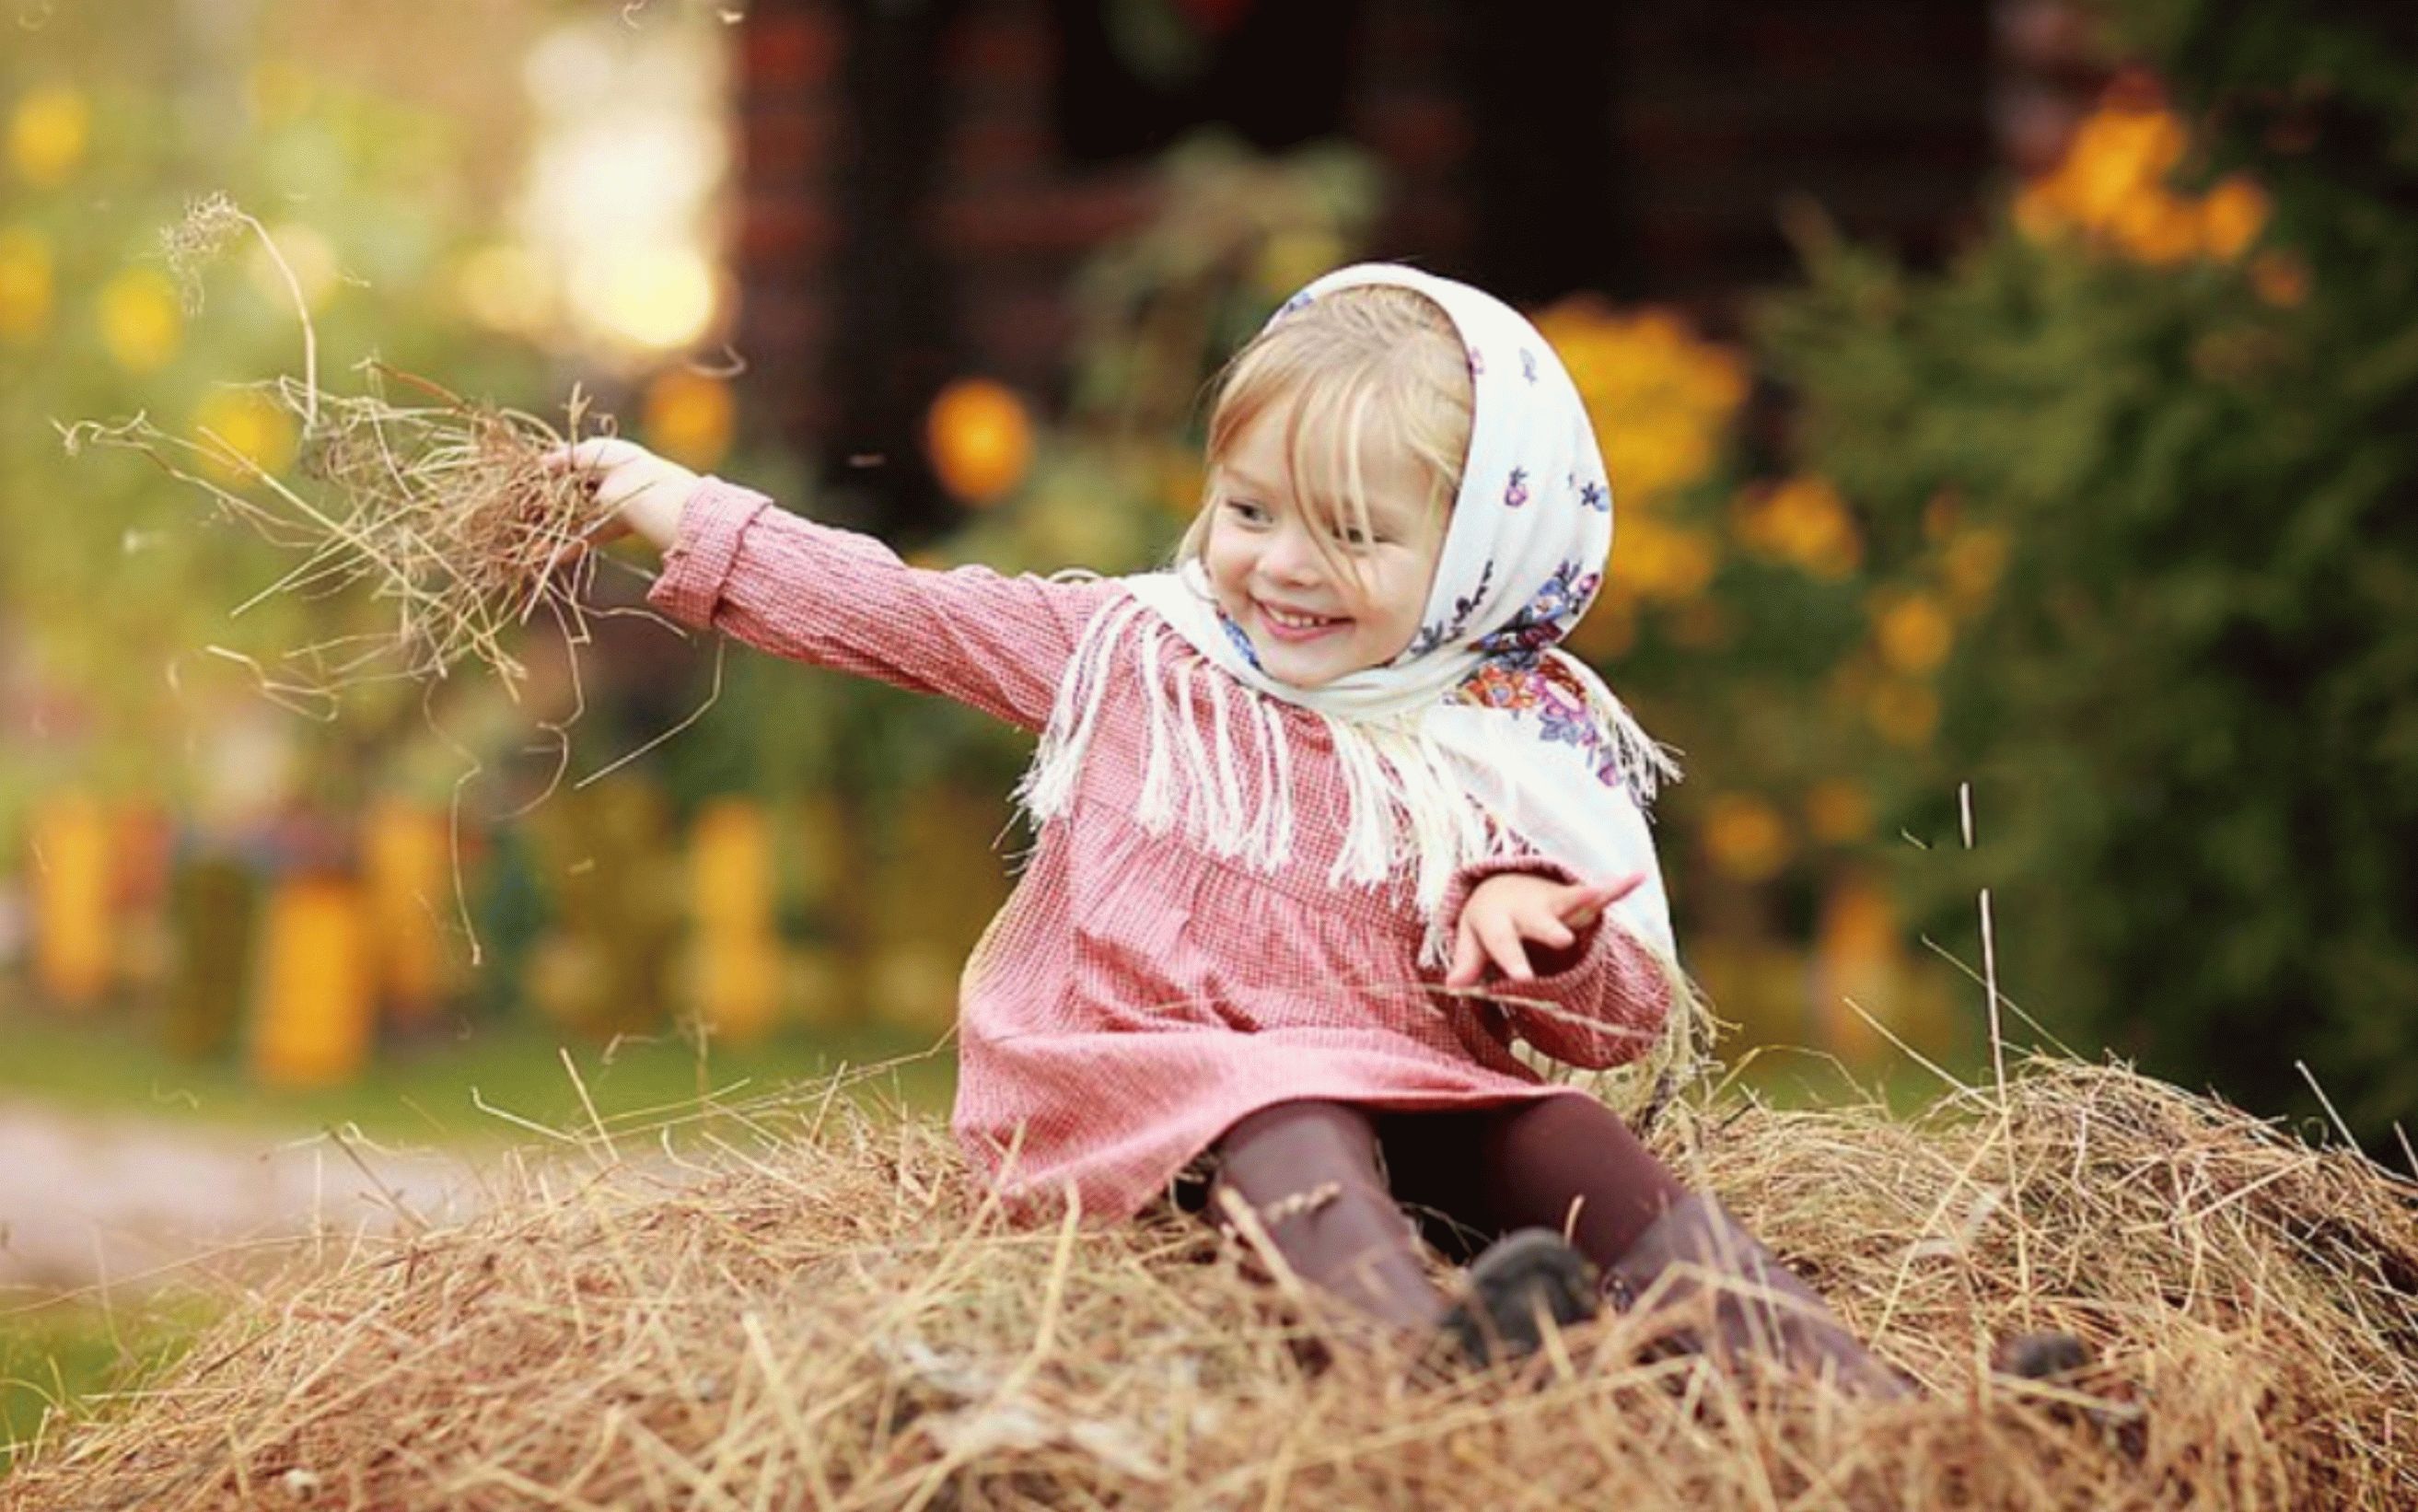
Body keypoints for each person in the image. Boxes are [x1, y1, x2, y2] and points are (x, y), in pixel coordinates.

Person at [557, 263, 1908, 1392]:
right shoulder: (1136, 652)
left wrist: (1541, 933)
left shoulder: (1508, 737)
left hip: (1402, 1076)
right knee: (1286, 1106)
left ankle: (1853, 1394)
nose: (1281, 565)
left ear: (1472, 566)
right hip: (1149, 1071)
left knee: (1564, 1135)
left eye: (1351, 534)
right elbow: (901, 612)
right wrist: (675, 507)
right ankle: (1414, 1355)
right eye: (1250, 509)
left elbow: (1611, 1031)